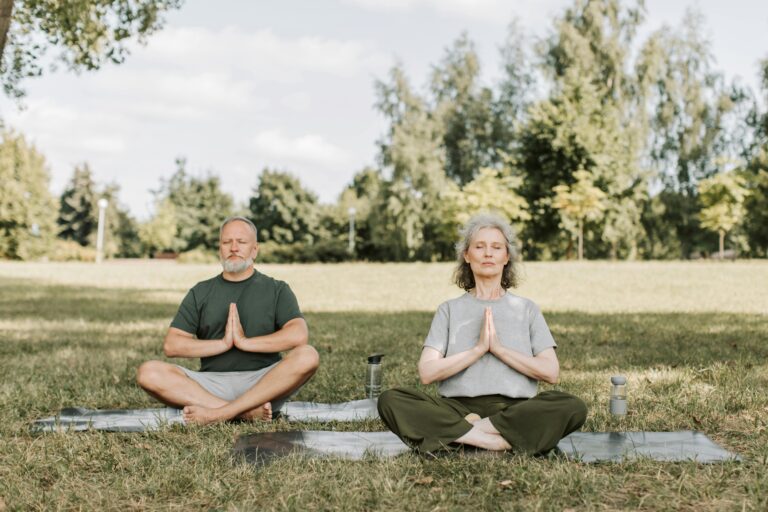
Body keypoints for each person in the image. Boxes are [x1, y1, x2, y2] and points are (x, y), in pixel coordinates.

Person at [377, 213, 587, 454]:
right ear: (467, 255)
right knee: (391, 400)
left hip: (516, 410)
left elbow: (550, 372)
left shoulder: (527, 309)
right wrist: (478, 350)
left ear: (506, 257)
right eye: (480, 246)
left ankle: (467, 433)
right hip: (456, 409)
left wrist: (499, 349)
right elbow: (427, 373)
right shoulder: (449, 310)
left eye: (496, 247)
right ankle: (496, 441)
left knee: (572, 406)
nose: (488, 253)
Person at [136, 216, 319, 425]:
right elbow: (172, 345)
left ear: (255, 249)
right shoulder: (200, 291)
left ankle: (216, 414)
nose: (233, 248)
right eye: (226, 242)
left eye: (241, 242)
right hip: (210, 385)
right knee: (148, 372)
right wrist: (223, 343)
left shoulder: (277, 289)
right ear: (219, 249)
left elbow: (298, 334)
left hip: (264, 383)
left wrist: (244, 342)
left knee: (308, 355)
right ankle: (244, 413)